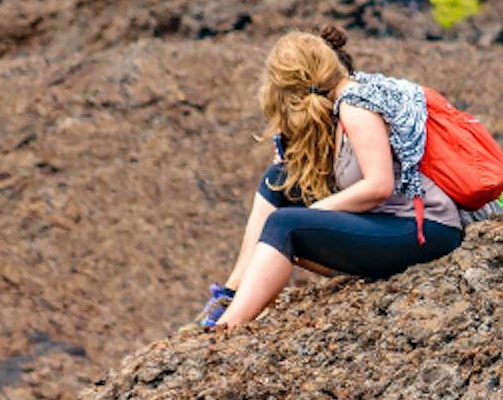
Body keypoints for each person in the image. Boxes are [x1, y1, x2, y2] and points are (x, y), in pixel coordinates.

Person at [195, 26, 463, 331]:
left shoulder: (355, 105)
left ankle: (227, 327)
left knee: (286, 224)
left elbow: (379, 186)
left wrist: (310, 215)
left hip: (426, 229)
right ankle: (233, 291)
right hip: (395, 224)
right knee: (280, 179)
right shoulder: (341, 104)